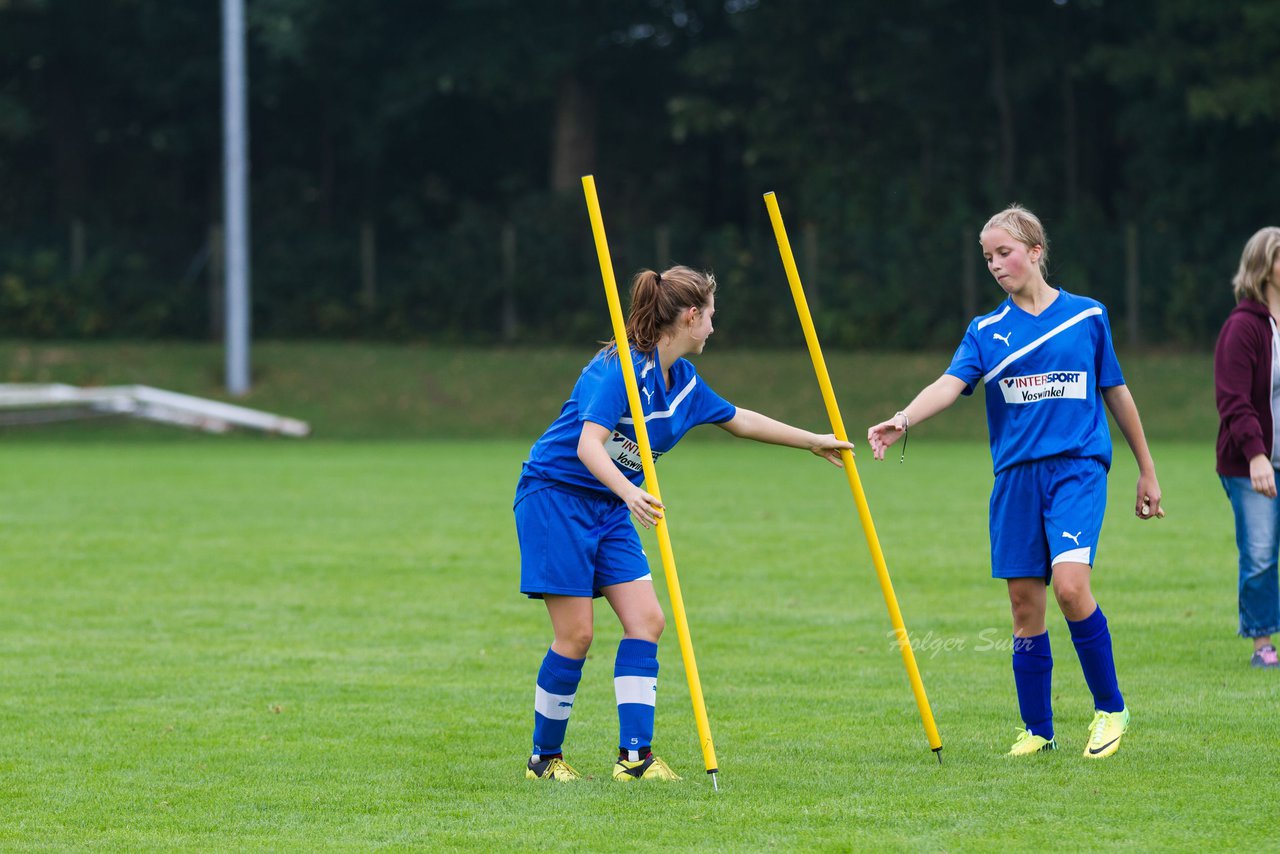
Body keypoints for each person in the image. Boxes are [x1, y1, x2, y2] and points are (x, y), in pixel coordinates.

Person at [515, 264, 853, 781]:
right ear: (691, 316)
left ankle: (634, 759)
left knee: (647, 621)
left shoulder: (684, 381)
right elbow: (588, 445)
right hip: (556, 498)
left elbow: (738, 418)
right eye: (711, 316)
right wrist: (630, 492)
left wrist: (813, 440)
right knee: (576, 635)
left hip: (612, 505)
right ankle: (544, 760)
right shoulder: (617, 369)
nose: (715, 328)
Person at [866, 204, 1163, 759]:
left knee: (1072, 588)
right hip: (1015, 481)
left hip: (1076, 470)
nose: (996, 265)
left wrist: (1146, 470)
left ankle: (1111, 708)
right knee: (1025, 607)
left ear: (1035, 251)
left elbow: (1116, 393)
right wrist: (903, 417)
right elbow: (950, 384)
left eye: (1004, 253)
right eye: (987, 258)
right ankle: (1038, 730)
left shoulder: (1087, 317)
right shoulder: (985, 331)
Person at [1214, 226, 1280, 669]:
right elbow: (1233, 399)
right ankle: (1262, 645)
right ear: (1265, 266)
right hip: (1250, 462)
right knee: (1260, 553)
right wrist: (1257, 456)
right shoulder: (1242, 327)